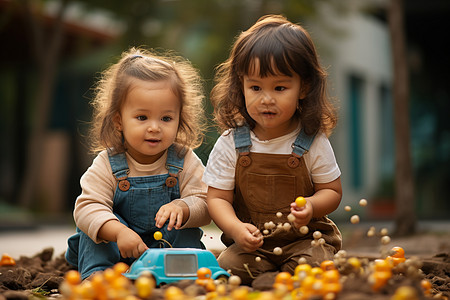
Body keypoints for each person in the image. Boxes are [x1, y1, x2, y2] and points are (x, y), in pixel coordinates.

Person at [203, 15, 342, 285]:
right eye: (255, 87)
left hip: (304, 242)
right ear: (240, 86)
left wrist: (312, 206)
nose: (266, 98)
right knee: (227, 267)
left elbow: (333, 191)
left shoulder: (312, 141)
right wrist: (235, 228)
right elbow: (217, 199)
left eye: (280, 87)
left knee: (316, 266)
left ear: (304, 87)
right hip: (253, 246)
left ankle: (282, 275)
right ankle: (270, 277)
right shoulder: (232, 142)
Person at [65, 47, 211, 280]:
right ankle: (98, 276)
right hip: (118, 252)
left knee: (184, 227)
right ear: (119, 120)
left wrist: (184, 207)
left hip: (165, 254)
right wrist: (118, 231)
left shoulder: (184, 159)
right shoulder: (108, 163)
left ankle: (185, 275)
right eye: (142, 117)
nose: (154, 127)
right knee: (93, 226)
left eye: (166, 118)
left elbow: (205, 202)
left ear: (179, 119)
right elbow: (86, 208)